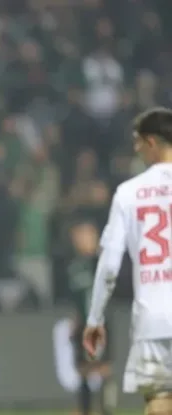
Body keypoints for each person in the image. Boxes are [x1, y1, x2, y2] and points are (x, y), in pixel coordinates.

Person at [84, 107, 172, 415]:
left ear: (151, 142)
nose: (135, 149)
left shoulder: (128, 193)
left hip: (153, 318)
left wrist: (94, 318)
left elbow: (109, 265)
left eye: (137, 141)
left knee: (159, 402)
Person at [67, 221, 116, 415]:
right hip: (81, 322)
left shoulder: (101, 261)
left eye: (86, 235)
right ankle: (85, 409)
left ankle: (106, 409)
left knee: (103, 367)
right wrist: (74, 319)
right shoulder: (74, 266)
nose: (81, 240)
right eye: (78, 236)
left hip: (99, 322)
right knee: (83, 368)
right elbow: (75, 297)